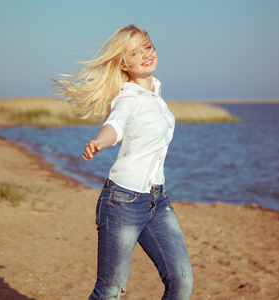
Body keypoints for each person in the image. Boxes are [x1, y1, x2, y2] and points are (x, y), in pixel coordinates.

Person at [54, 24, 193, 300]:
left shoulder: (155, 90)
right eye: (134, 53)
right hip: (123, 202)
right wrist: (100, 142)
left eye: (148, 47)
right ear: (123, 64)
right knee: (110, 291)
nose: (145, 54)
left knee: (182, 281)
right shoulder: (129, 96)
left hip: (158, 201)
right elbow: (116, 124)